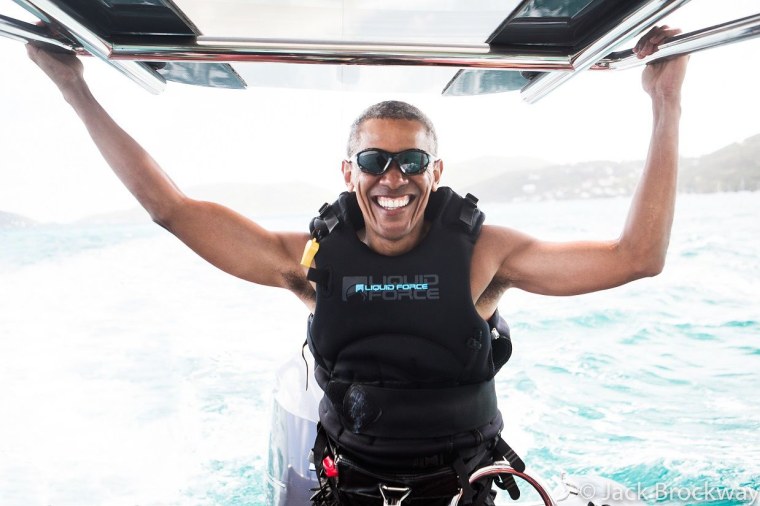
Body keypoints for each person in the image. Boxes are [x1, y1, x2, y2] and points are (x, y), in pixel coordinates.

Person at [26, 25, 687, 506]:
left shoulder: (486, 253)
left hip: (464, 490)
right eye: (374, 161)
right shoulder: (311, 259)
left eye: (411, 161)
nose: (392, 177)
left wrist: (666, 103)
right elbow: (169, 208)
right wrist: (71, 87)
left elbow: (637, 258)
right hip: (351, 492)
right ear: (349, 172)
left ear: (437, 171)